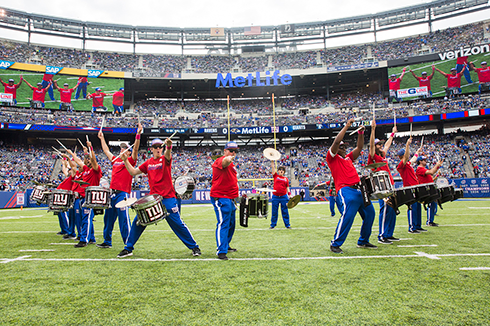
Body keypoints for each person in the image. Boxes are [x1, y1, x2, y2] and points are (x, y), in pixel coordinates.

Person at [117, 138, 201, 258]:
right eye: (155, 147)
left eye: (160, 147)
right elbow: (133, 172)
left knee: (177, 224)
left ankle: (194, 247)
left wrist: (169, 147)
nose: (158, 149)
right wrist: (125, 160)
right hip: (153, 199)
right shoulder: (148, 163)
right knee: (138, 221)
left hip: (168, 198)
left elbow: (168, 154)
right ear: (151, 149)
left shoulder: (165, 159)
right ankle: (128, 248)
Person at [327, 119, 377, 254]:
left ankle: (363, 241)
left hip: (360, 190)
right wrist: (347, 126)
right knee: (348, 216)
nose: (344, 149)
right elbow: (336, 142)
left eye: (345, 147)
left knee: (370, 214)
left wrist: (361, 134)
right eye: (342, 147)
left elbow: (359, 148)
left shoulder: (348, 158)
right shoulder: (332, 158)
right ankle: (335, 244)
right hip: (346, 190)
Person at [96, 123, 142, 249]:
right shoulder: (116, 160)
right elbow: (106, 150)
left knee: (123, 219)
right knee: (108, 219)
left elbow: (136, 149)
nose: (121, 150)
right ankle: (107, 241)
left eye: (124, 148)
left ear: (128, 152)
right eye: (121, 148)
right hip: (112, 193)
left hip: (122, 193)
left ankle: (127, 243)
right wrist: (102, 138)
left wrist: (138, 134)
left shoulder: (130, 160)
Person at [66, 140, 103, 247]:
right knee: (87, 219)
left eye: (89, 160)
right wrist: (71, 154)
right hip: (83, 197)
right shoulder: (86, 169)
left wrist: (91, 149)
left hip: (90, 197)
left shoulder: (96, 170)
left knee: (86, 219)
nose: (87, 161)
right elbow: (78, 161)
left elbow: (94, 161)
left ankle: (84, 240)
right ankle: (91, 238)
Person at [368, 121, 399, 244]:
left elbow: (387, 145)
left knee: (392, 210)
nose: (380, 145)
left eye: (380, 143)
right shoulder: (373, 156)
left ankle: (389, 234)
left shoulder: (383, 155)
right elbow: (371, 146)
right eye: (378, 144)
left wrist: (392, 133)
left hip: (390, 184)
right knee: (385, 209)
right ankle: (382, 235)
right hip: (382, 186)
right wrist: (373, 129)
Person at [210, 141, 240, 260]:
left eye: (235, 151)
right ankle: (221, 250)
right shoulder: (220, 160)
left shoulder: (231, 164)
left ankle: (226, 245)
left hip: (230, 197)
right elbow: (225, 162)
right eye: (230, 150)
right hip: (221, 196)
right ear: (225, 151)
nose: (233, 153)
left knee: (231, 224)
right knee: (223, 223)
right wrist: (229, 158)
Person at [396, 137, 426, 234]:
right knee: (412, 207)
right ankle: (412, 227)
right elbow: (407, 157)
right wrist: (407, 145)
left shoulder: (407, 164)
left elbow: (413, 158)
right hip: (409, 188)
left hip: (414, 187)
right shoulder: (401, 165)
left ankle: (417, 225)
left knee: (417, 206)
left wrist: (417, 151)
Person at [415, 155, 443, 227]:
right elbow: (431, 172)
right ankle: (429, 221)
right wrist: (437, 165)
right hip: (426, 189)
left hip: (429, 188)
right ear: (420, 161)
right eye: (424, 160)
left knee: (433, 203)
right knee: (431, 204)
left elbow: (431, 175)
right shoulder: (420, 169)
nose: (425, 161)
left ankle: (431, 220)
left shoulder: (423, 169)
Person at [269, 161, 291, 229]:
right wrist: (272, 161)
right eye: (280, 170)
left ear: (284, 172)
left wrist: (289, 194)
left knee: (285, 211)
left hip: (283, 196)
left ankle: (287, 225)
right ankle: (273, 225)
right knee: (274, 211)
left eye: (282, 170)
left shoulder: (286, 179)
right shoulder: (275, 176)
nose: (281, 171)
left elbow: (287, 187)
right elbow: (273, 167)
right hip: (275, 196)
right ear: (278, 171)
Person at [55, 157, 73, 236]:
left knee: (64, 214)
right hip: (61, 196)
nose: (68, 171)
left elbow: (71, 168)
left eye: (70, 170)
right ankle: (63, 229)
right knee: (60, 214)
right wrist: (63, 163)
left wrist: (67, 161)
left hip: (65, 197)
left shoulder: (72, 177)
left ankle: (67, 230)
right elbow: (64, 170)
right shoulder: (67, 177)